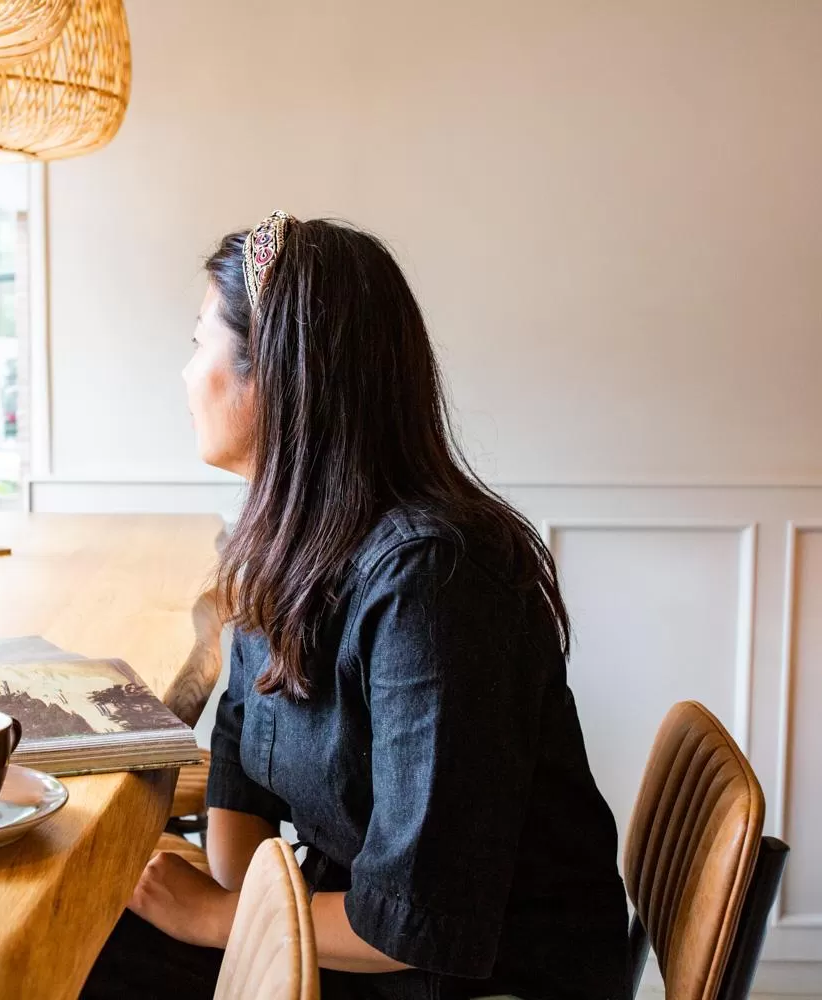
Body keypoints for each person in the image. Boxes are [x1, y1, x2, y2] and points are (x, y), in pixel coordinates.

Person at [80, 213, 629, 1000]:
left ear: (273, 371)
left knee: (88, 961)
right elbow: (241, 746)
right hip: (361, 940)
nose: (185, 372)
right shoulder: (287, 541)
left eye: (198, 341)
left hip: (472, 979)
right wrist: (241, 910)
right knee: (95, 934)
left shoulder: (435, 582)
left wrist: (215, 919)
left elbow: (416, 919)